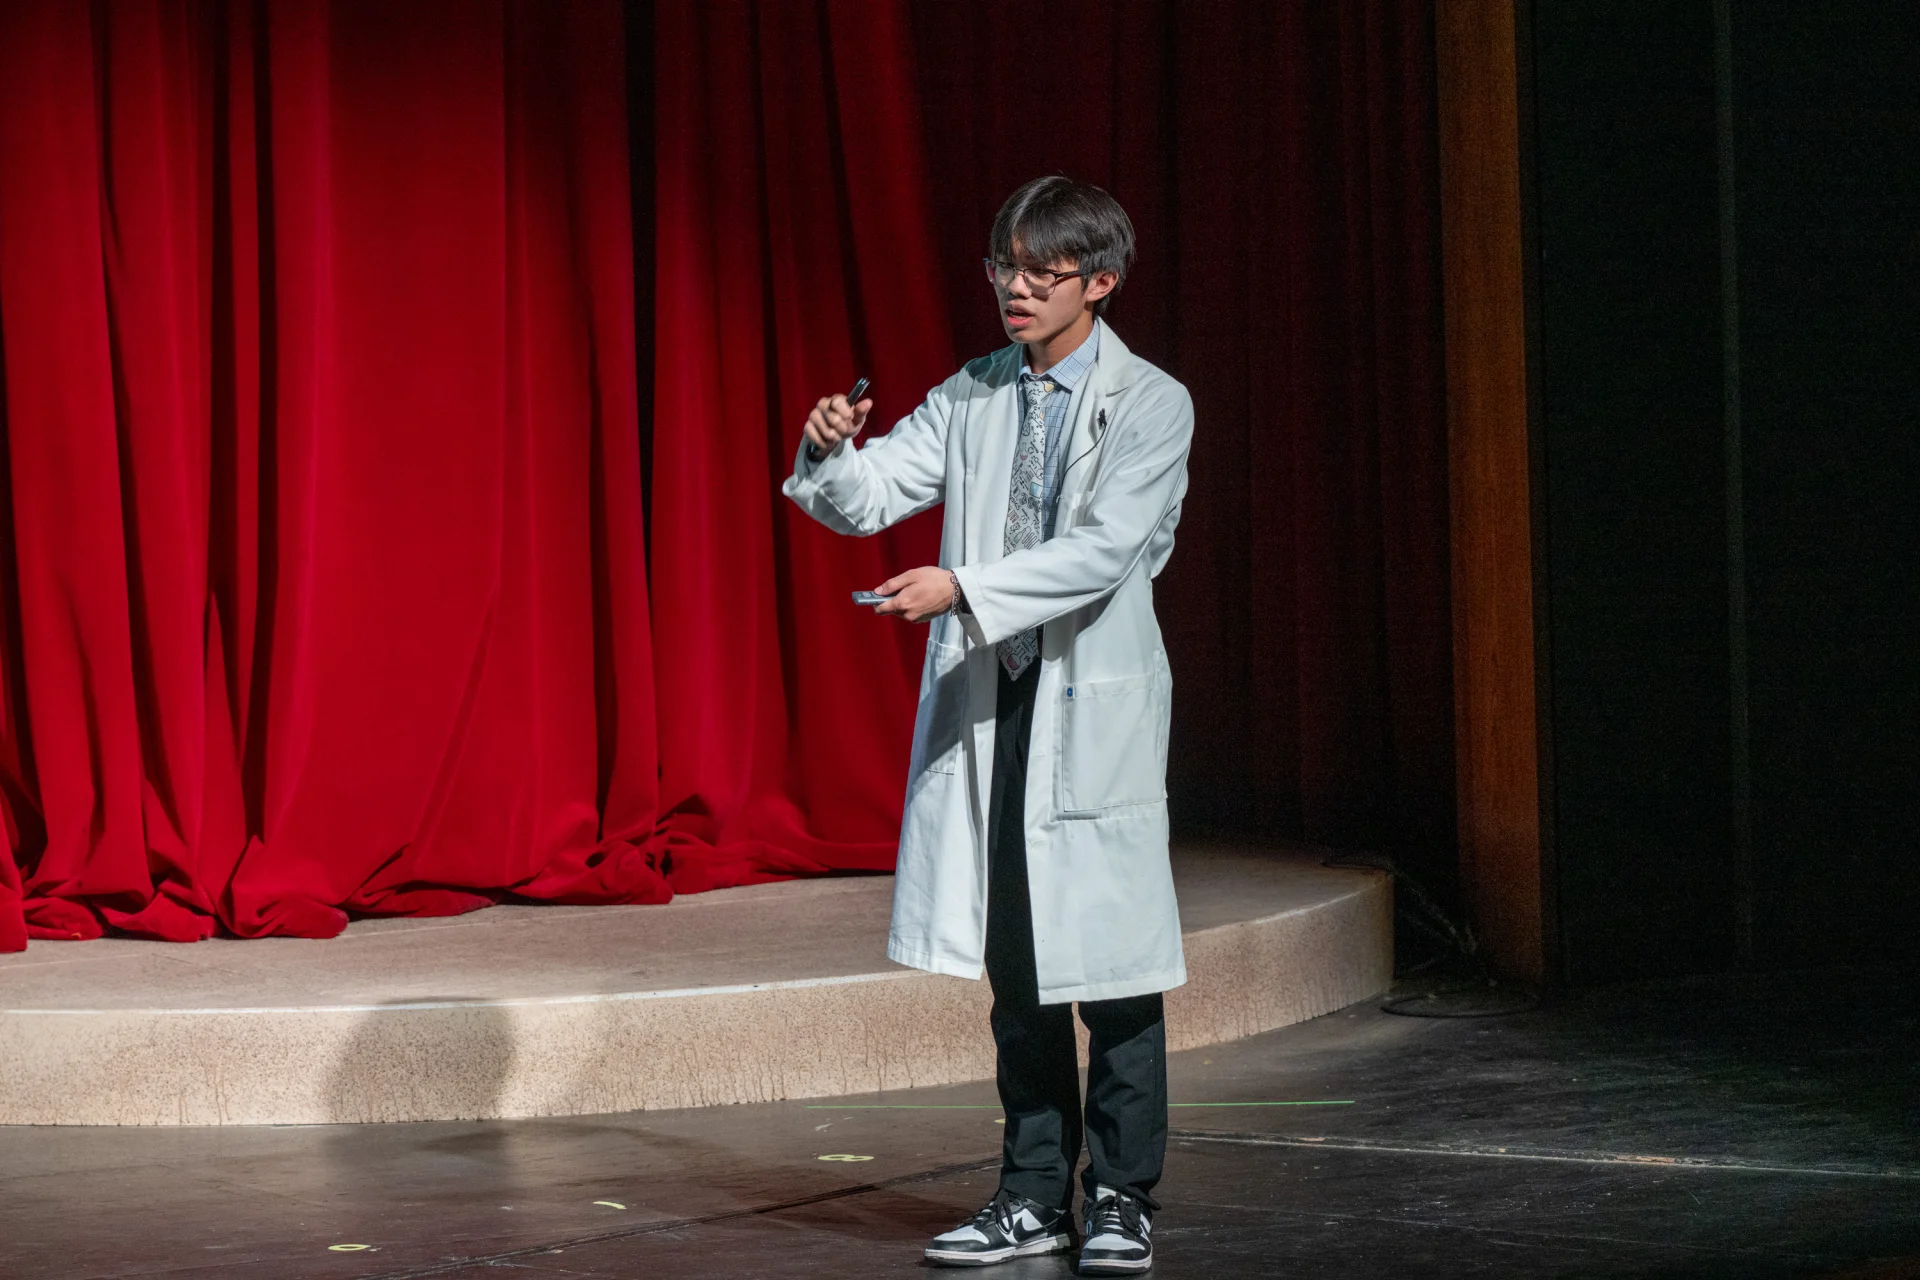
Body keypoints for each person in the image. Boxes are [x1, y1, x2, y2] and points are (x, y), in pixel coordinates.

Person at [783, 175, 1193, 1274]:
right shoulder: (974, 390)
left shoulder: (1152, 402)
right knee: (1017, 962)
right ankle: (1031, 1195)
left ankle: (1121, 1195)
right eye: (1003, 267)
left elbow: (1103, 550)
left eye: (1039, 272)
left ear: (1099, 282)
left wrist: (962, 588)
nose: (1014, 289)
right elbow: (872, 494)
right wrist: (831, 451)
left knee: (1111, 967)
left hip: (1088, 697)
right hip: (996, 698)